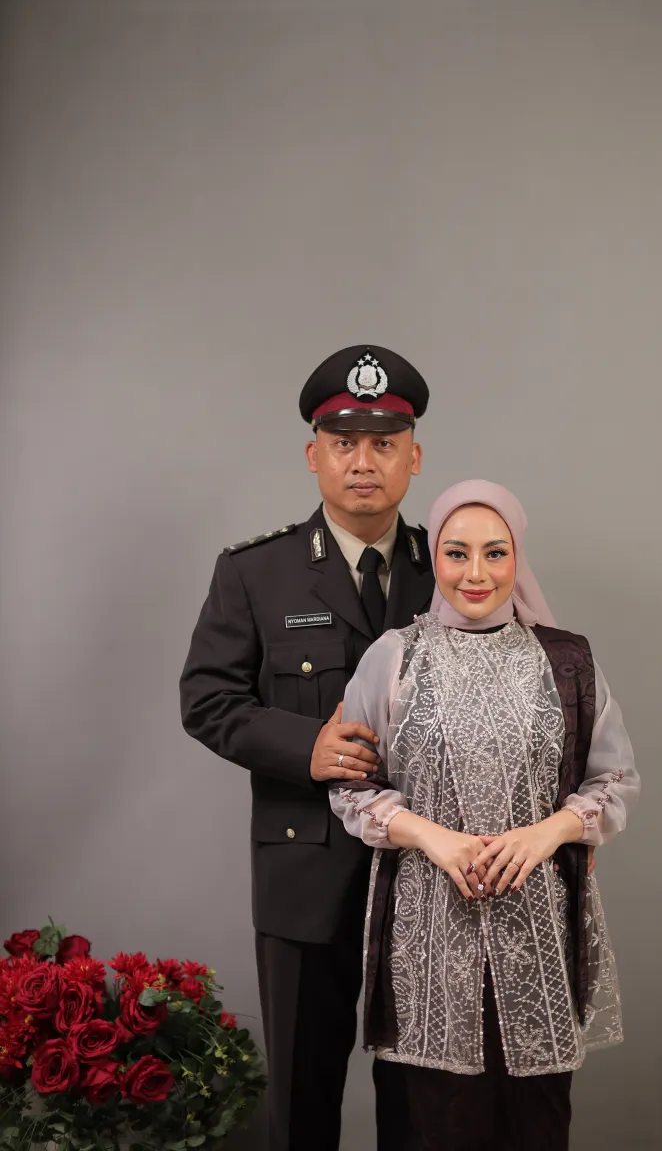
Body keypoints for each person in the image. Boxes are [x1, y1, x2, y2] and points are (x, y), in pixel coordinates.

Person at [329, 479, 640, 1151]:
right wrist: (432, 838)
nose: (476, 573)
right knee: (436, 1121)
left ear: (517, 557)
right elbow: (351, 786)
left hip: (537, 927)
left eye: (495, 553)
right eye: (457, 552)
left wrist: (548, 833)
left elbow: (613, 778)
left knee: (535, 1121)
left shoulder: (565, 660)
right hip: (430, 933)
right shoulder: (395, 658)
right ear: (435, 558)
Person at [179, 345, 435, 1151]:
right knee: (302, 1101)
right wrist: (306, 746)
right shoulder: (256, 573)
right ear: (313, 455)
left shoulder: (451, 568)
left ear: (413, 458)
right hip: (304, 867)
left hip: (428, 877)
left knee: (425, 1102)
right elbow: (207, 700)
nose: (363, 462)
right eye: (344, 443)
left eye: (384, 443)